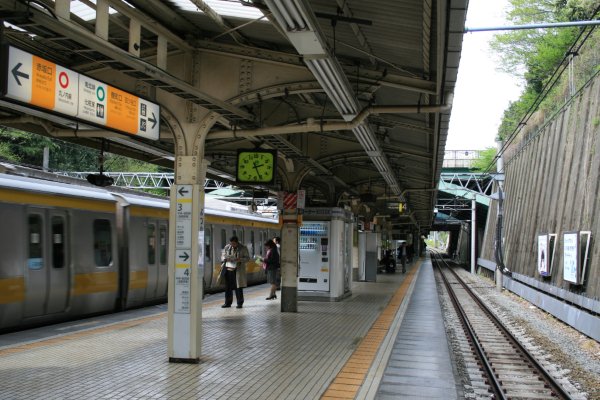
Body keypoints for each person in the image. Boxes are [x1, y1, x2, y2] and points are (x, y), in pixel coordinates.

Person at [220, 236, 250, 309]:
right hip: (228, 269)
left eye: (234, 244)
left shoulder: (243, 248)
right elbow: (222, 256)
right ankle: (227, 303)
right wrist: (225, 258)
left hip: (238, 270)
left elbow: (247, 258)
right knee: (228, 287)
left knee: (238, 287)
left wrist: (239, 259)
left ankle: (239, 303)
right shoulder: (227, 247)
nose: (232, 245)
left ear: (237, 242)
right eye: (231, 243)